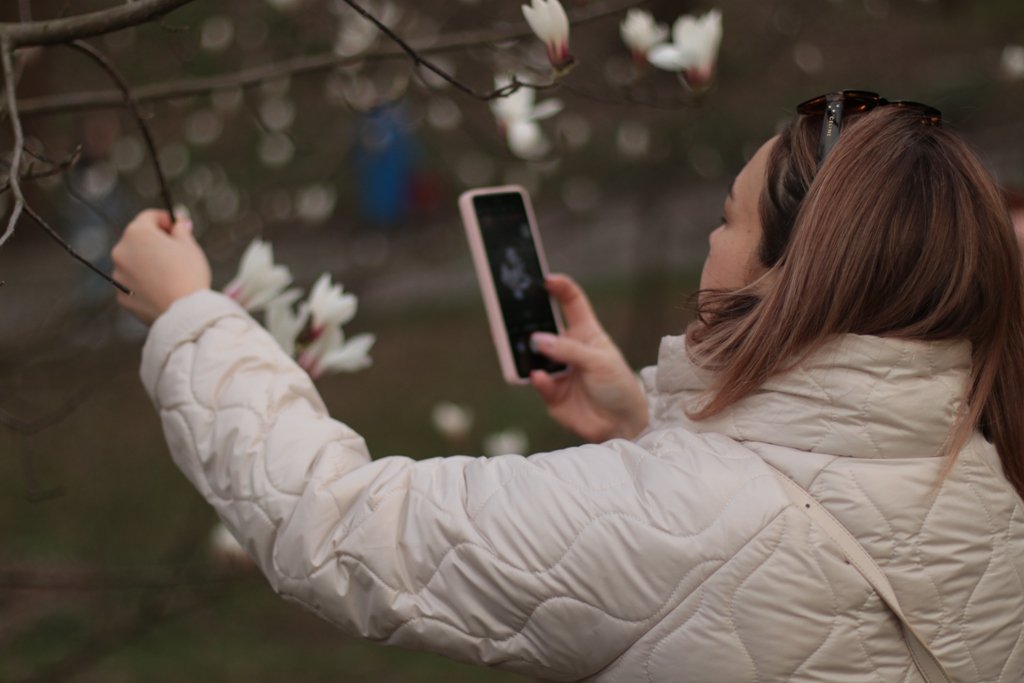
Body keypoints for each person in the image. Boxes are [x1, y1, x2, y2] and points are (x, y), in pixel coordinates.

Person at [111, 92, 1024, 682]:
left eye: (727, 217)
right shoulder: (995, 484)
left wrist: (192, 314)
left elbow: (339, 528)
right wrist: (647, 421)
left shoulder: (693, 519)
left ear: (791, 275)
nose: (712, 240)